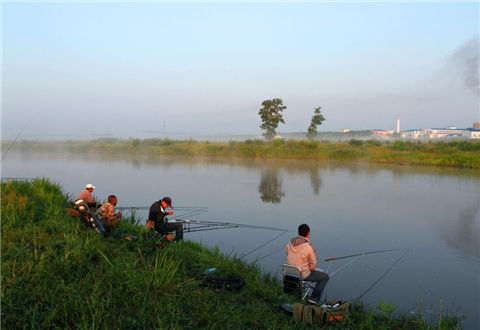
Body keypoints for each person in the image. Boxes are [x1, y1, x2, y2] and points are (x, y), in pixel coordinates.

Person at [285, 223, 329, 304]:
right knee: (325, 277)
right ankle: (314, 299)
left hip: (289, 272)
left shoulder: (290, 243)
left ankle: (294, 294)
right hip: (302, 274)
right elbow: (313, 265)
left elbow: (287, 252)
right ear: (308, 234)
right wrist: (309, 268)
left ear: (298, 232)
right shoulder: (308, 247)